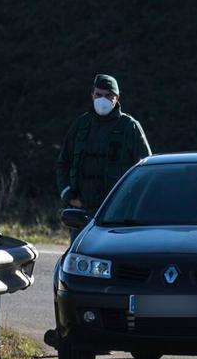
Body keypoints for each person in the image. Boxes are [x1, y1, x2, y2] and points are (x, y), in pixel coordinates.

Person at [55, 74, 151, 240]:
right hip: (83, 212)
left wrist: (134, 204)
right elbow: (63, 163)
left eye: (108, 96)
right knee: (80, 257)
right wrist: (69, 196)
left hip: (119, 214)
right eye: (99, 95)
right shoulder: (81, 125)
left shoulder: (130, 127)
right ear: (92, 95)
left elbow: (146, 169)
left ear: (117, 98)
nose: (102, 100)